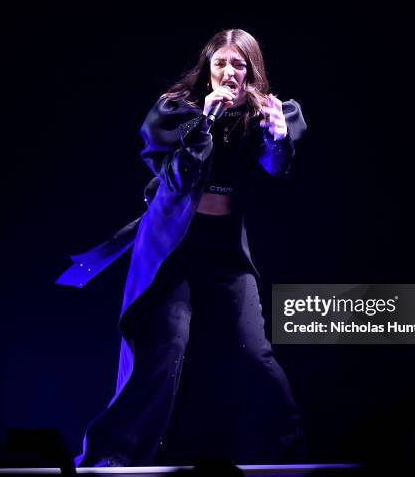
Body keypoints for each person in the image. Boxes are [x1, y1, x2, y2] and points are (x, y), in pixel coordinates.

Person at [56, 28, 308, 467]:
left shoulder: (269, 111)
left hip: (225, 249)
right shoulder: (178, 110)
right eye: (221, 63)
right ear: (207, 68)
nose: (229, 72)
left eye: (239, 64)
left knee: (255, 351)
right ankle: (113, 456)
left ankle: (286, 454)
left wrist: (279, 137)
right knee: (163, 348)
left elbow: (277, 169)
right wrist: (205, 123)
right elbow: (176, 179)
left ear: (252, 71)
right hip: (172, 243)